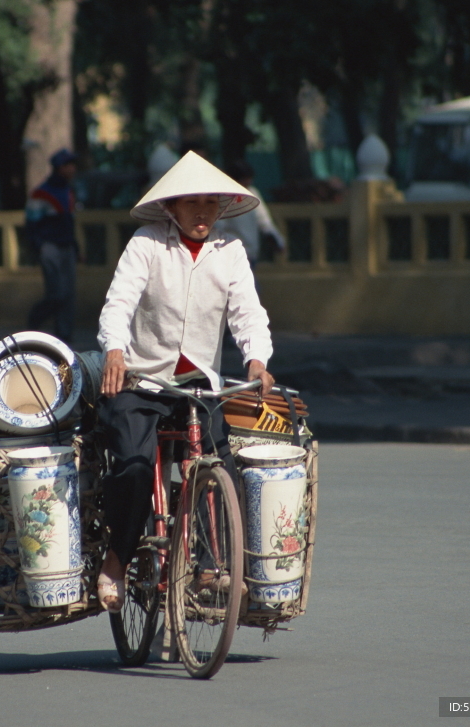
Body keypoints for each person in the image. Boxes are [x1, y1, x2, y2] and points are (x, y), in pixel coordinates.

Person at [95, 151, 276, 612]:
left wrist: (257, 360)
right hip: (142, 382)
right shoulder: (146, 244)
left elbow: (248, 314)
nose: (201, 212)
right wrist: (114, 349)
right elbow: (118, 304)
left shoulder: (230, 252)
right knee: (133, 467)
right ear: (171, 208)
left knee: (219, 466)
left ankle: (212, 566)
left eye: (209, 203)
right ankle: (118, 556)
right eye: (190, 202)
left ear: (220, 209)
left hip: (199, 387)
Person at [25, 148, 79, 342]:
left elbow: (70, 223)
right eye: (68, 165)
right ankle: (35, 319)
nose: (73, 169)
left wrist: (76, 247)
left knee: (69, 296)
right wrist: (39, 246)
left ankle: (64, 336)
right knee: (57, 293)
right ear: (59, 168)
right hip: (50, 247)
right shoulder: (41, 193)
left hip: (67, 247)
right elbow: (32, 223)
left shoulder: (68, 191)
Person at [215, 159, 286, 268]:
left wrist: (276, 239)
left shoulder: (252, 193)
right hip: (229, 254)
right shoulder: (223, 197)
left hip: (250, 253)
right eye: (245, 180)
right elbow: (218, 226)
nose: (249, 183)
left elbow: (264, 220)